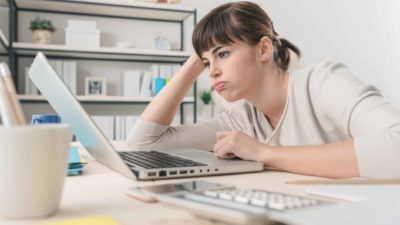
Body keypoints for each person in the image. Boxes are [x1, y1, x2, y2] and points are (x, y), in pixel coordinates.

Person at [127, 1, 400, 179]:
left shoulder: (323, 82)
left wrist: (264, 153)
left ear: (264, 49)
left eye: (223, 54)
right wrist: (193, 62)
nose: (211, 71)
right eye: (206, 62)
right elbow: (145, 143)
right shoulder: (241, 118)